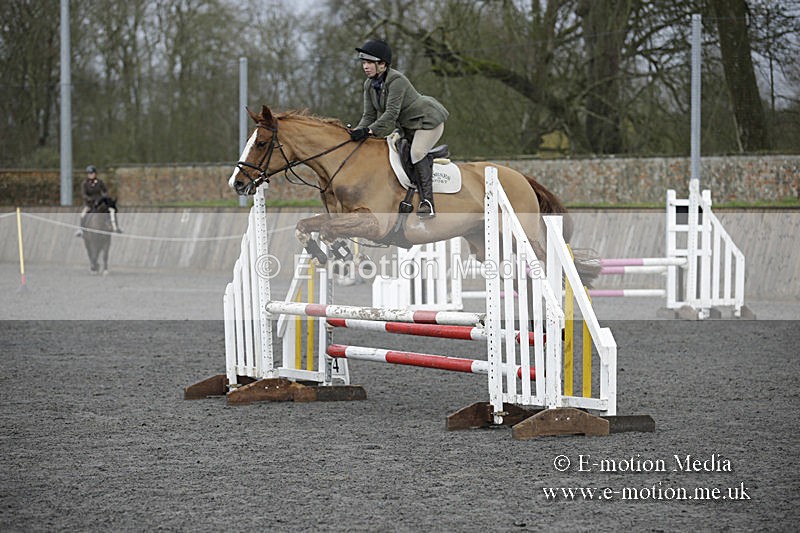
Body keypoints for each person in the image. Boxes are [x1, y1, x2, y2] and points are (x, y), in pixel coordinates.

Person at [350, 39, 449, 218]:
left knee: (417, 153)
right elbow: (368, 116)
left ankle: (427, 202)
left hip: (428, 121)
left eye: (369, 63)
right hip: (408, 127)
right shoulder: (369, 85)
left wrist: (369, 131)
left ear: (382, 64)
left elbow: (390, 114)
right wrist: (355, 133)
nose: (365, 67)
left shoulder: (397, 80)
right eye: (363, 63)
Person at [75, 165, 121, 236]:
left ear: (95, 174)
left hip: (100, 202)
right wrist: (89, 199)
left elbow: (105, 191)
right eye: (89, 174)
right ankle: (81, 230)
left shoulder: (100, 182)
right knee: (83, 214)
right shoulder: (85, 184)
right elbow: (84, 194)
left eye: (92, 173)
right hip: (90, 204)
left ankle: (116, 227)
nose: (91, 175)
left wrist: (104, 197)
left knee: (111, 211)